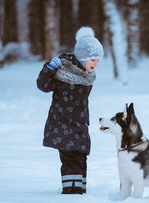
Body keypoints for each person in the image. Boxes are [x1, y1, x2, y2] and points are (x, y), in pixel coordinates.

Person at [36, 27, 103, 194]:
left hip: (79, 124)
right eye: (92, 60)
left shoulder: (87, 77)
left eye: (97, 61)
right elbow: (43, 86)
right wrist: (49, 69)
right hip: (62, 124)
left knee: (81, 157)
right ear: (82, 58)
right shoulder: (62, 72)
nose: (95, 65)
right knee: (70, 158)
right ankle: (71, 193)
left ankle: (80, 190)